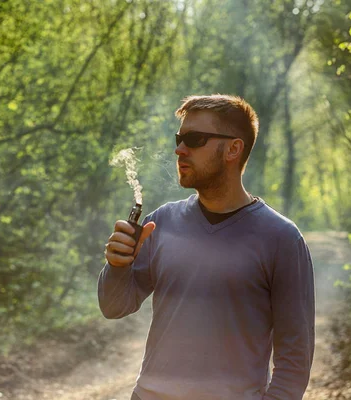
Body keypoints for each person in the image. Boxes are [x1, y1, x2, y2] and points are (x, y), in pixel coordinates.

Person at [98, 94, 315, 400]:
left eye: (194, 139)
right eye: (179, 138)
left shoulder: (281, 238)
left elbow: (295, 359)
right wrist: (117, 266)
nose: (179, 149)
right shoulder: (160, 223)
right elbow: (114, 306)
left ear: (233, 149)